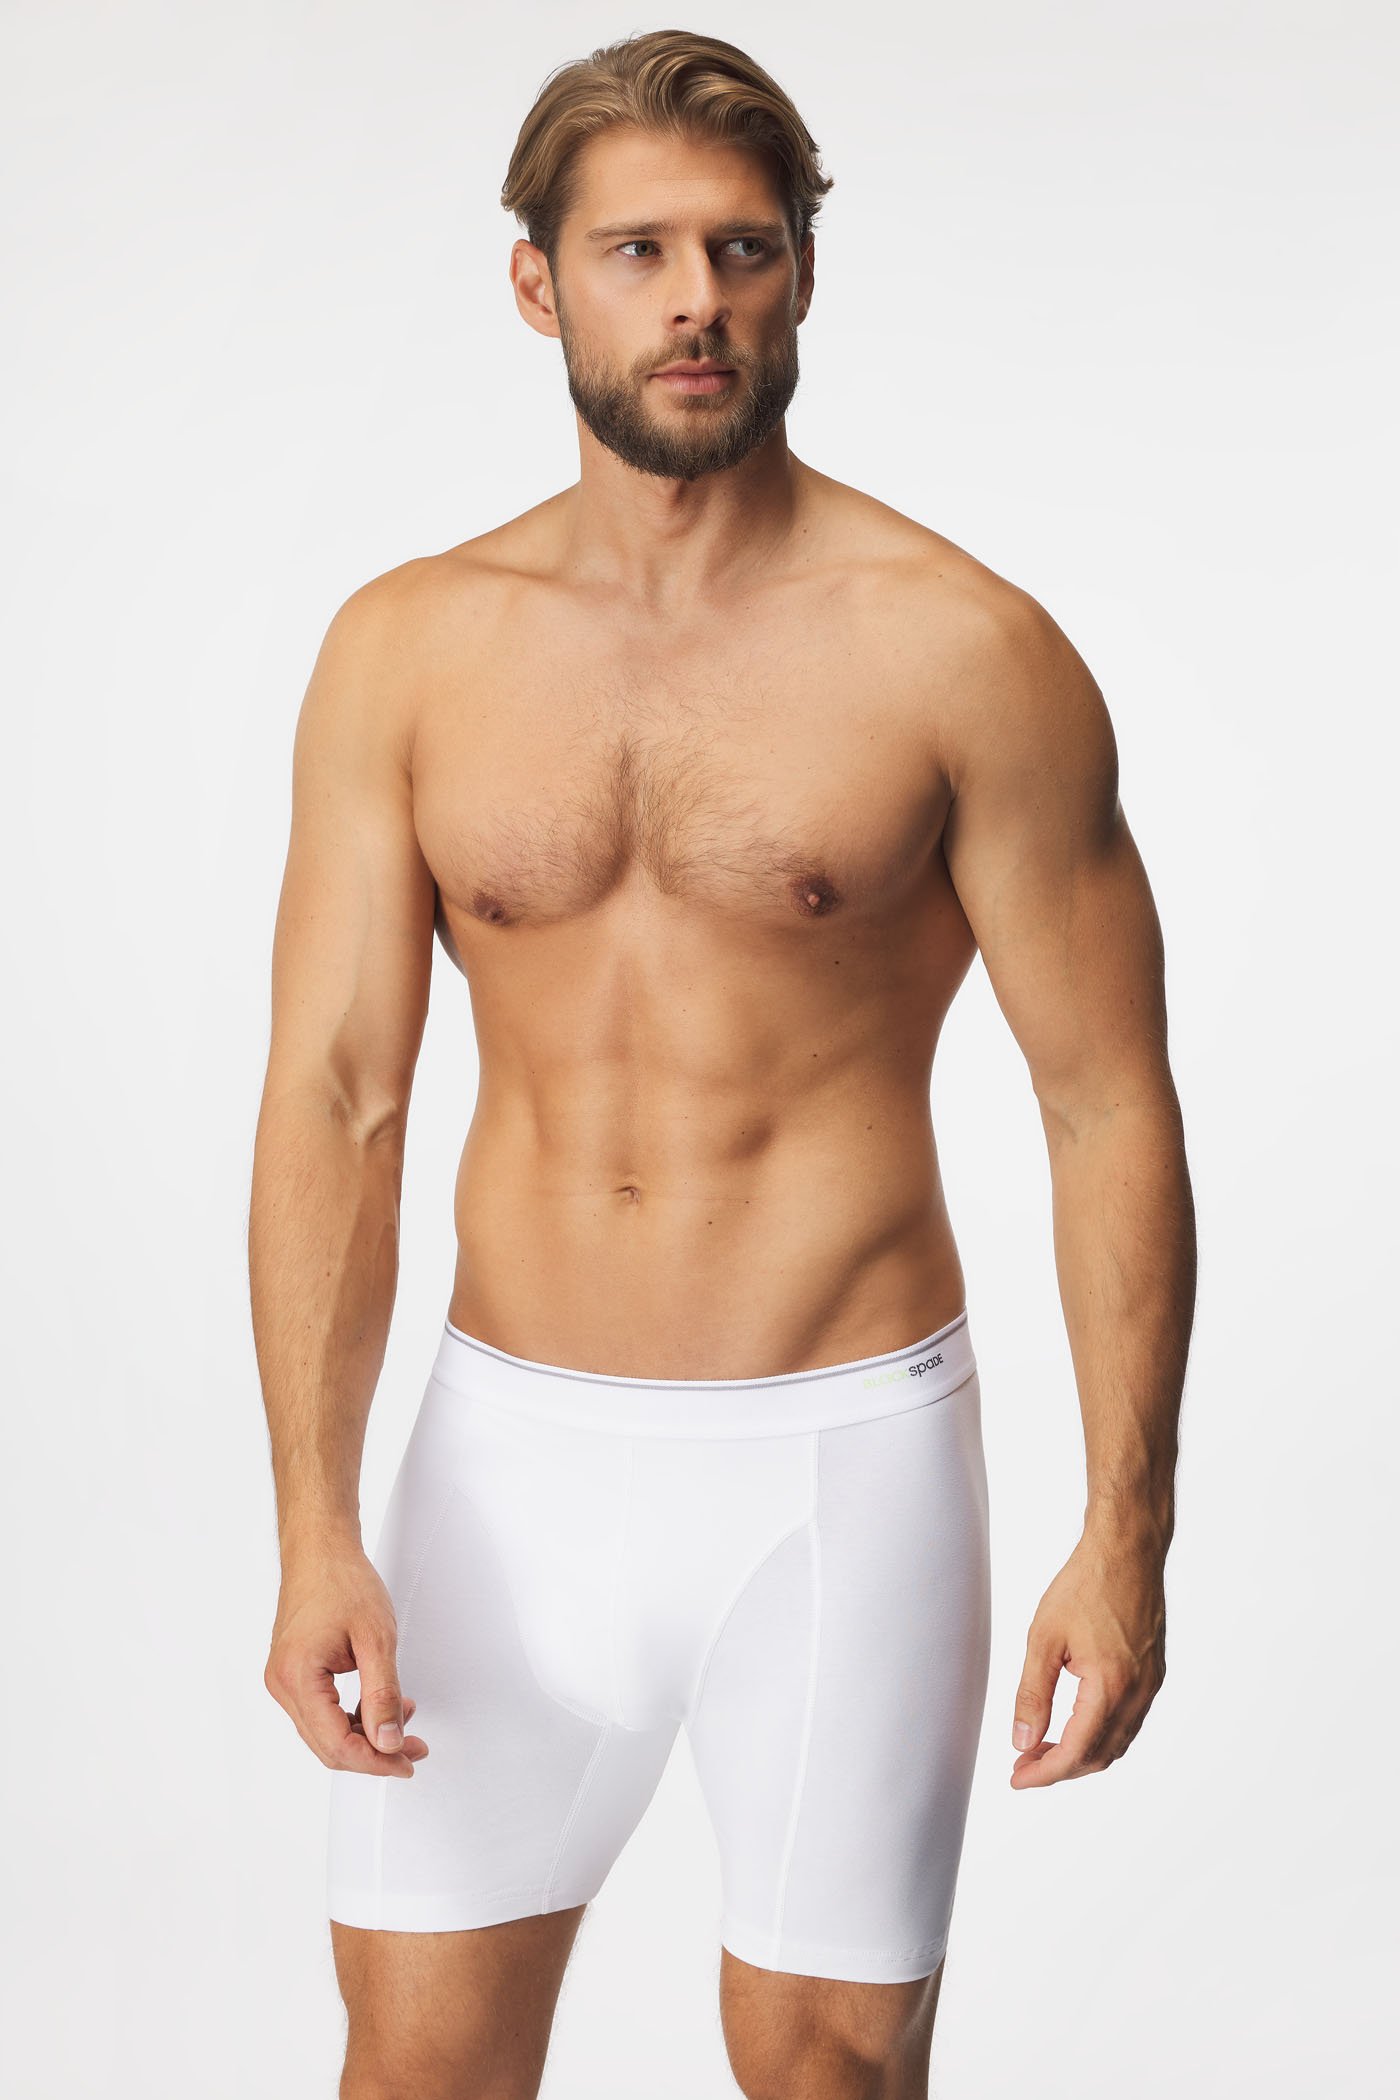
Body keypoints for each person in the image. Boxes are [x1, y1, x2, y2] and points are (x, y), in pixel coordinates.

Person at [251, 27, 1195, 2099]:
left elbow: (1104, 1100)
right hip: (503, 1473)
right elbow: (337, 1094)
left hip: (840, 1469)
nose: (696, 300)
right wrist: (315, 1520)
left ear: (802, 275)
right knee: (415, 2070)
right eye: (639, 252)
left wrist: (1124, 1532)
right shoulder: (407, 650)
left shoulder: (962, 649)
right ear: (538, 285)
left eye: (743, 249)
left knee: (827, 2073)